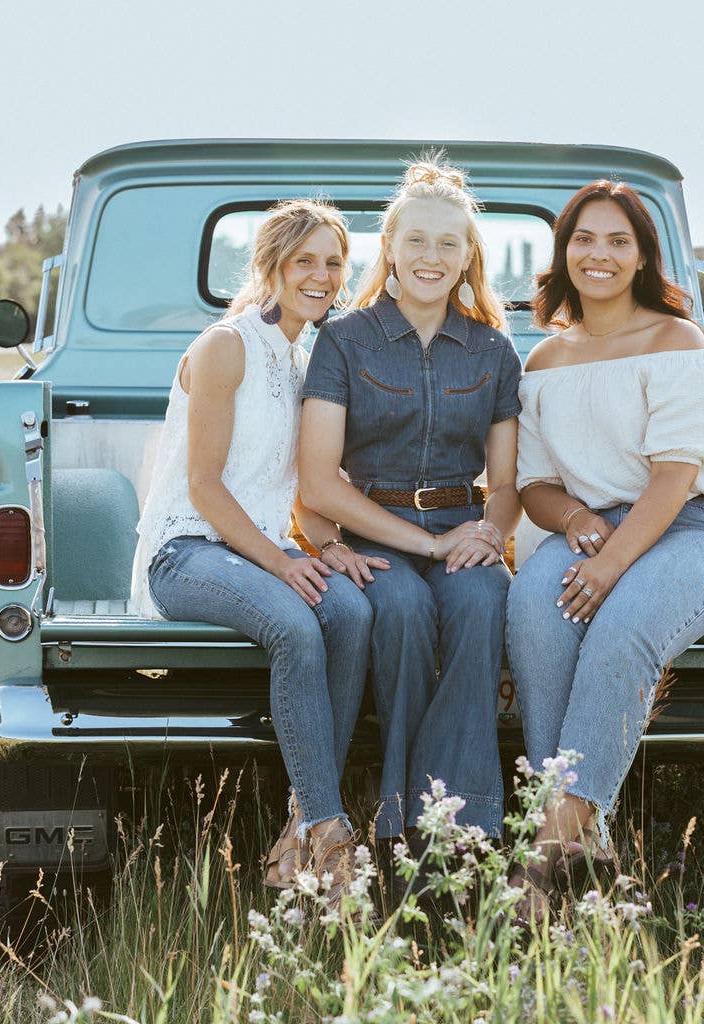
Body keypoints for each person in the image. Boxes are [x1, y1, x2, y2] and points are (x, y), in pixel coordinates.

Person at [505, 180, 704, 923]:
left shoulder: (678, 341)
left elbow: (677, 475)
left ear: (644, 255)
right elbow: (534, 486)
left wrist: (610, 566)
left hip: (695, 529)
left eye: (620, 241)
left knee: (621, 629)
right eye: (585, 238)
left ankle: (543, 854)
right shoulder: (546, 360)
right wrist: (579, 518)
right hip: (596, 529)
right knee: (531, 608)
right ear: (565, 250)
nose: (600, 255)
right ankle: (590, 838)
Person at [130, 200, 388, 901]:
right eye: (305, 260)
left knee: (354, 613)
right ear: (271, 266)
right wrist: (284, 563)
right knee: (296, 623)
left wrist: (327, 546)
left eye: (334, 262)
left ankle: (300, 827)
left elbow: (303, 485)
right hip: (187, 552)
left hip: (261, 552)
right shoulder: (227, 345)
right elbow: (205, 486)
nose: (322, 275)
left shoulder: (305, 356)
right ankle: (331, 833)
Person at [298, 155, 523, 848]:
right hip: (374, 530)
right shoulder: (342, 339)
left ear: (467, 258)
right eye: (416, 241)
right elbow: (317, 481)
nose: (431, 256)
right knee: (398, 610)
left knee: (484, 604)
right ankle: (401, 823)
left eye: (448, 243)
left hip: (464, 527)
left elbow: (508, 484)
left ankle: (461, 827)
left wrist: (489, 532)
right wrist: (424, 544)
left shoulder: (493, 351)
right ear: (390, 249)